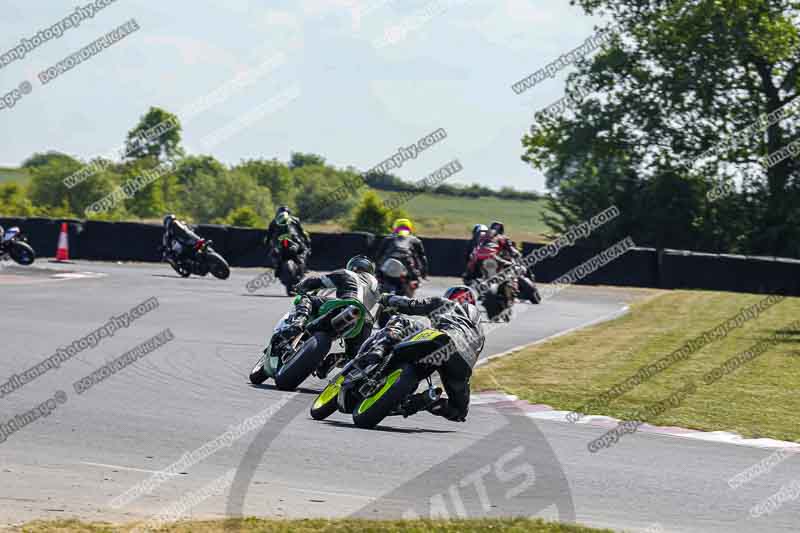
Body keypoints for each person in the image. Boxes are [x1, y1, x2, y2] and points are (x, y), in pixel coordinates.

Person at [366, 285, 485, 422]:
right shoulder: (480, 333)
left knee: (401, 321)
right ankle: (424, 401)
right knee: (458, 411)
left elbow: (410, 305)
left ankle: (378, 350)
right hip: (462, 366)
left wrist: (386, 298)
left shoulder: (445, 304)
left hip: (443, 339)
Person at [281, 255, 381, 377]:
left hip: (346, 304)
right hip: (366, 322)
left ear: (352, 266)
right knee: (353, 357)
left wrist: (301, 286)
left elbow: (317, 282)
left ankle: (298, 322)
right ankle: (335, 359)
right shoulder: (377, 286)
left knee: (306, 298)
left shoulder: (346, 273)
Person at [375, 218, 428, 283]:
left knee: (378, 279)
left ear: (395, 227)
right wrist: (423, 274)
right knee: (415, 281)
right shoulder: (415, 240)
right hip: (407, 263)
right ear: (410, 228)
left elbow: (378, 255)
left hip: (388, 262)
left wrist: (377, 271)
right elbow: (422, 258)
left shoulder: (388, 238)